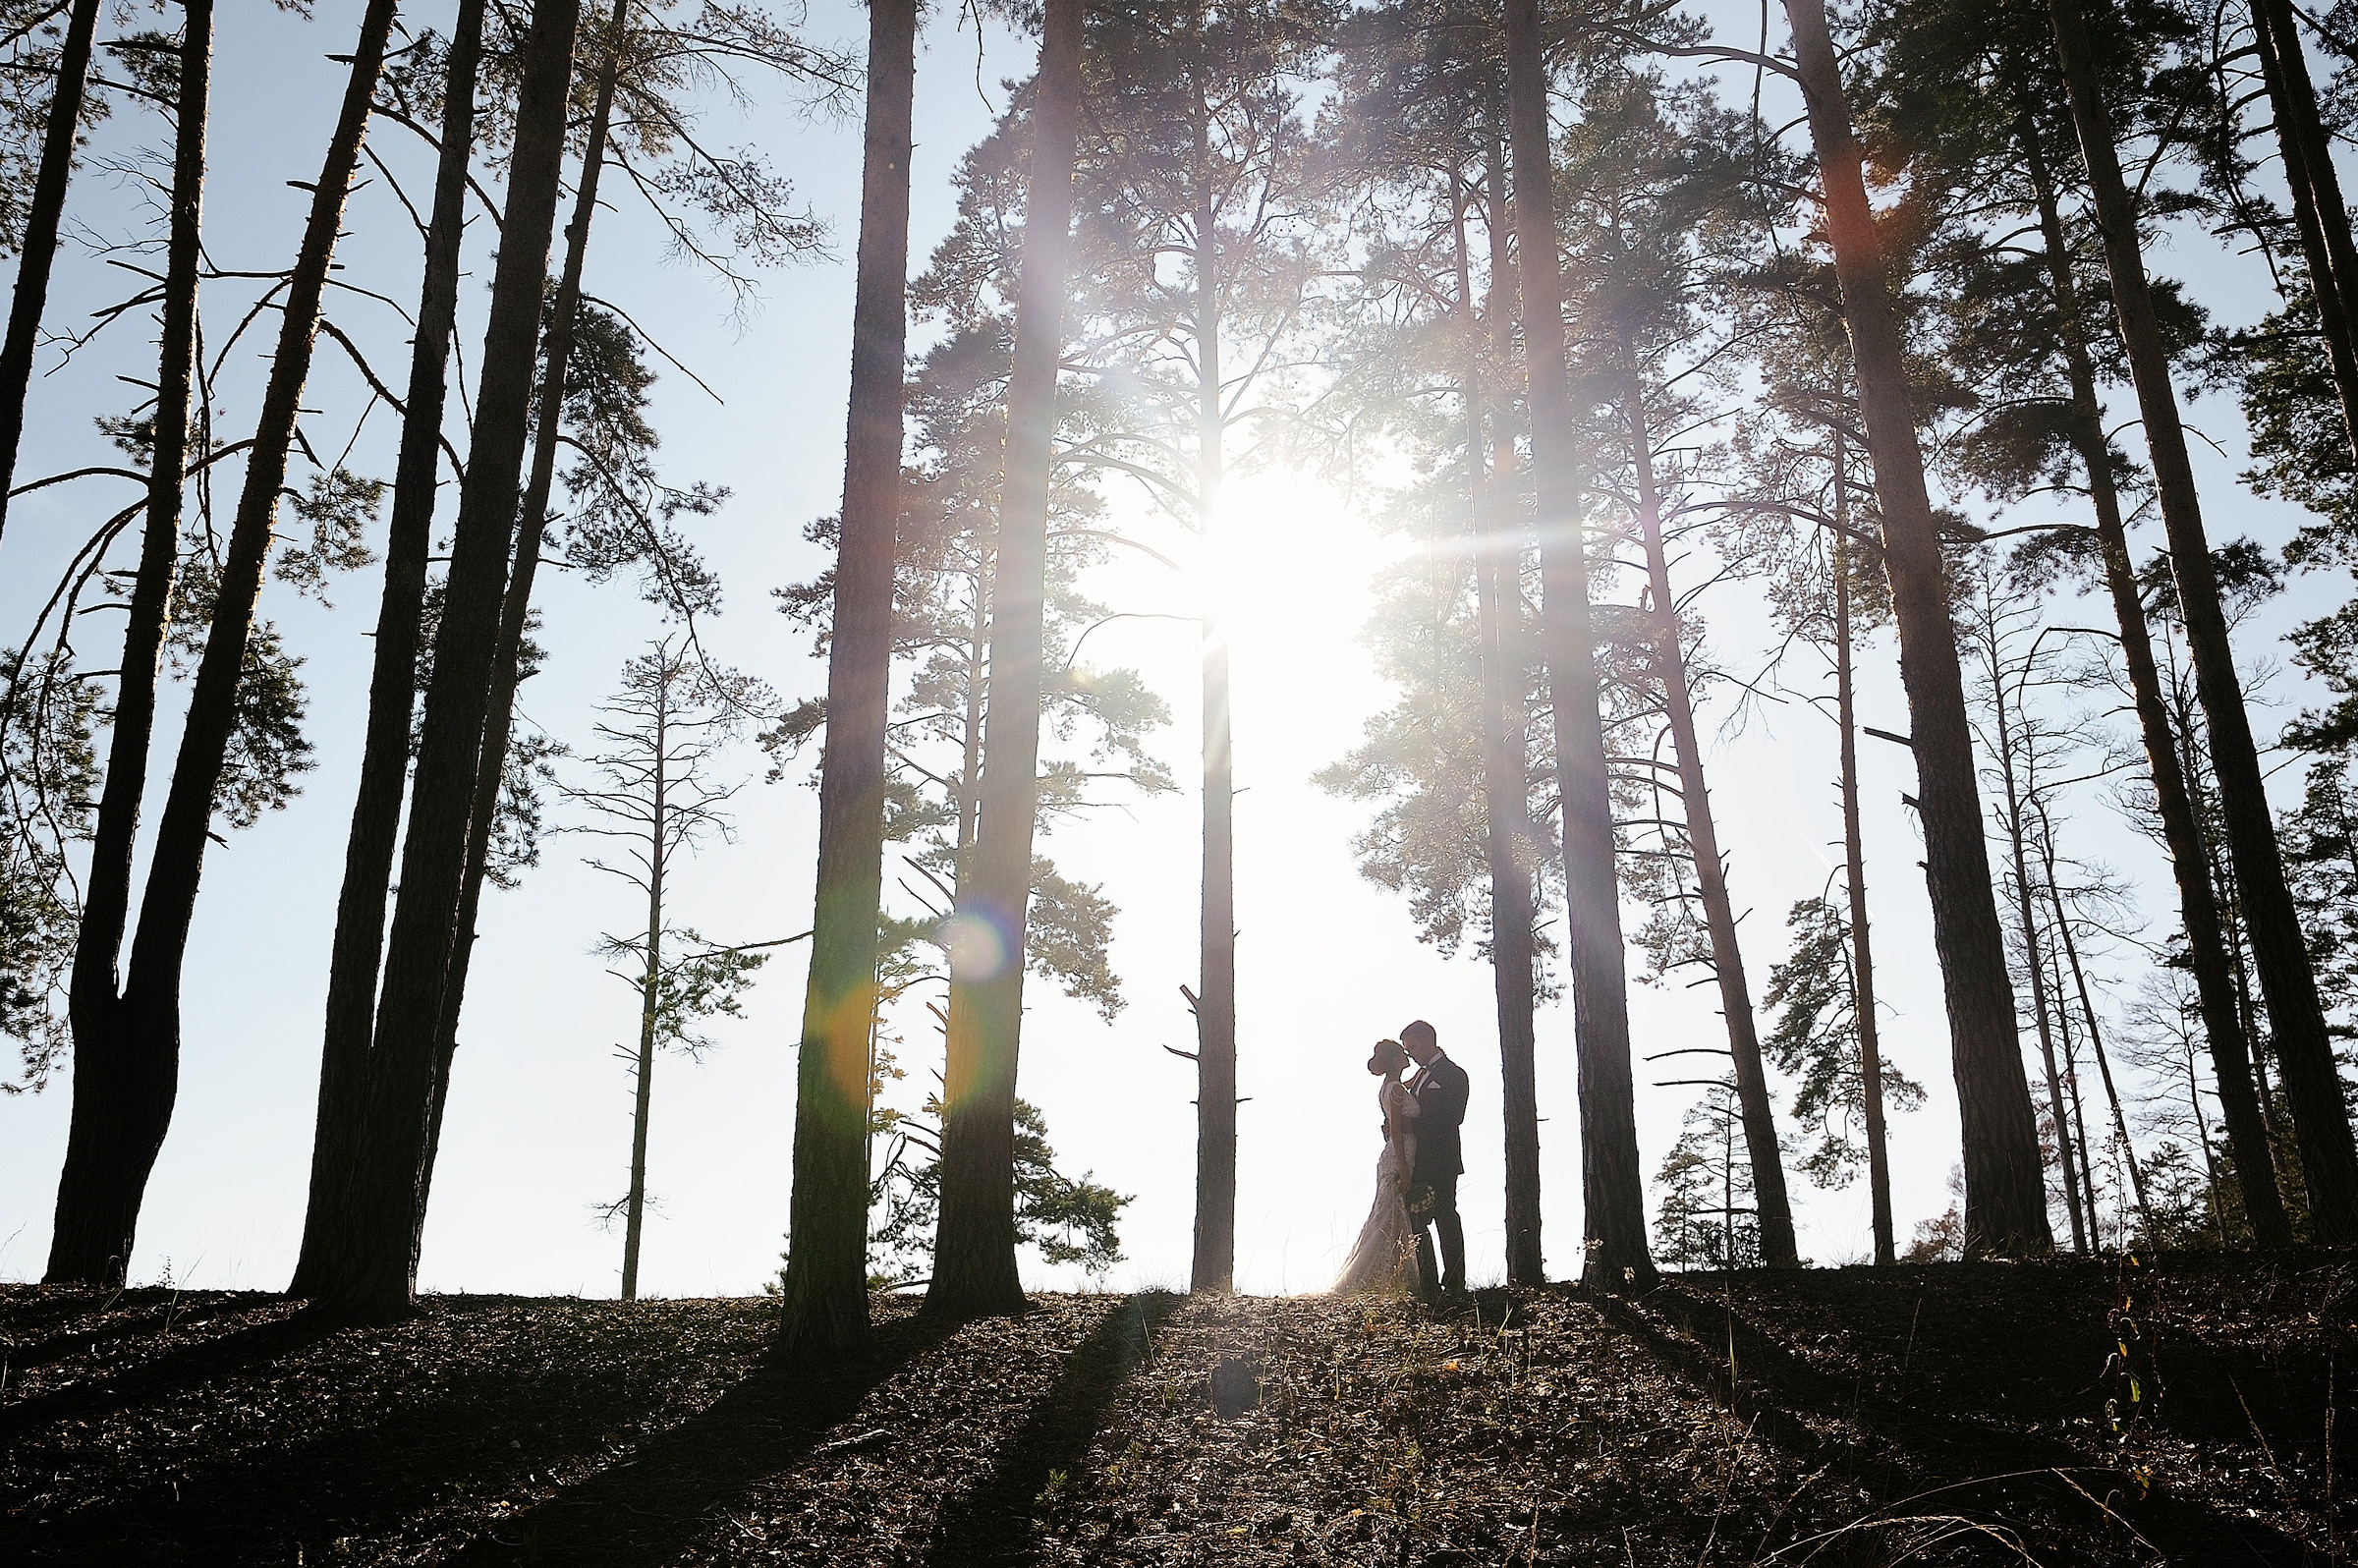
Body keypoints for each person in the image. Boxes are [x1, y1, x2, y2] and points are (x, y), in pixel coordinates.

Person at [1331, 1038, 1421, 1296]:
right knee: (1390, 1216)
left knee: (1392, 1215)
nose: (1407, 1055)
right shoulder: (1395, 1090)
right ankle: (1381, 1276)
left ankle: (1393, 1274)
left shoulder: (1393, 1087)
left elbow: (1403, 1094)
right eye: (1403, 1054)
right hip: (1399, 1155)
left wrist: (1417, 1078)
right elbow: (1395, 1129)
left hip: (1397, 1153)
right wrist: (1403, 1170)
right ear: (1394, 1061)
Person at [1401, 1020, 1468, 1301]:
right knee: (1416, 1218)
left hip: (1442, 1159)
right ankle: (1427, 1282)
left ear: (1427, 1040)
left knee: (1445, 1216)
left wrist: (1409, 1127)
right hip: (1418, 1160)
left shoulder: (1454, 1074)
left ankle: (1454, 1283)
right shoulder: (1418, 1077)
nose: (1411, 1054)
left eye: (1413, 1047)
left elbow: (1453, 1116)